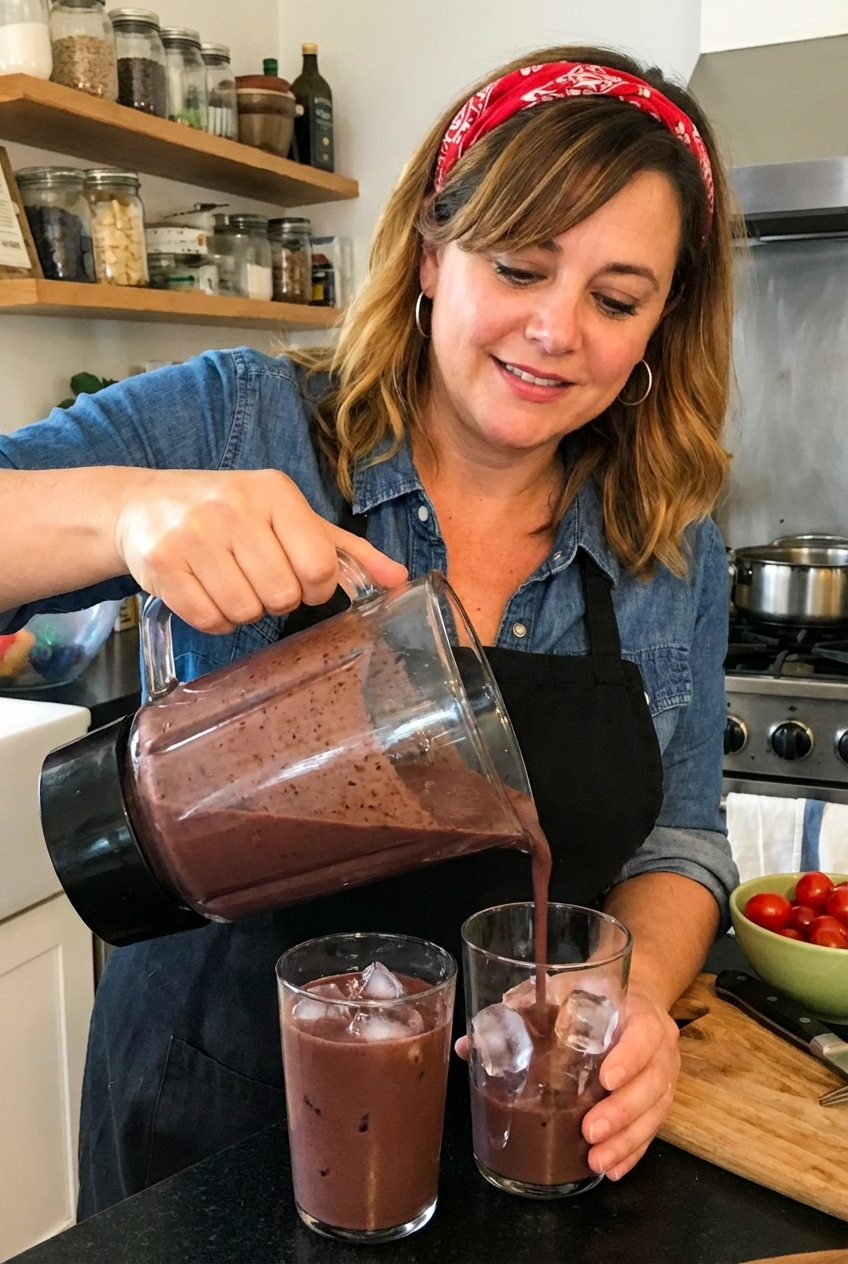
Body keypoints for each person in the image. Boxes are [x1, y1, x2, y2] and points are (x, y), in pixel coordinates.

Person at [0, 45, 738, 1215]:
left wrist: (629, 997)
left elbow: (679, 841)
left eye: (614, 297)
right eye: (519, 265)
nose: (556, 330)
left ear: (660, 321)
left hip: (519, 1136)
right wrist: (124, 509)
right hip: (210, 1133)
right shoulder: (239, 417)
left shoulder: (671, 541)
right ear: (434, 254)